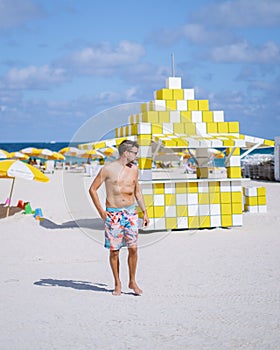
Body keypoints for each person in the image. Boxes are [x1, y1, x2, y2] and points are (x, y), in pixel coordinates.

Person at [89, 140, 149, 296]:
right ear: (126, 153)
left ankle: (132, 281)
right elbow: (93, 190)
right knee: (114, 251)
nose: (137, 155)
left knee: (133, 249)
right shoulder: (107, 169)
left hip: (130, 214)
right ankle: (117, 283)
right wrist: (102, 212)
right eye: (135, 153)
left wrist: (144, 212)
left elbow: (137, 192)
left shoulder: (134, 169)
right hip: (113, 214)